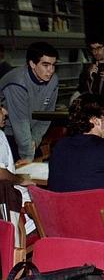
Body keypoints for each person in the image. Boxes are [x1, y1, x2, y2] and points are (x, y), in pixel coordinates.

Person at [0, 42, 59, 165]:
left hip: (28, 133)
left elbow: (46, 115)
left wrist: (35, 139)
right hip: (7, 133)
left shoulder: (53, 80)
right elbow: (20, 122)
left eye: (53, 65)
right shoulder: (18, 82)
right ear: (32, 63)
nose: (51, 70)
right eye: (46, 65)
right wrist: (27, 156)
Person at [0, 105, 36, 246]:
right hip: (7, 205)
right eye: (0, 109)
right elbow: (1, 172)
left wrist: (14, 166)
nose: (5, 112)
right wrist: (21, 180)